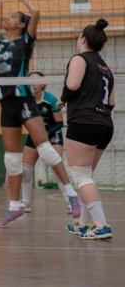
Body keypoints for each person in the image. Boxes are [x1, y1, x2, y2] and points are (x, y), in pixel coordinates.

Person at [0, 0, 80, 228]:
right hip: (6, 104)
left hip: (24, 102)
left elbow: (36, 14)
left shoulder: (26, 41)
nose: (6, 19)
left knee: (47, 150)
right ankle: (15, 206)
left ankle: (71, 194)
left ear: (20, 24)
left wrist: (26, 2)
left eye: (12, 16)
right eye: (7, 15)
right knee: (12, 159)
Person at [62, 19, 114, 240]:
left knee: (80, 175)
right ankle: (83, 224)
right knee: (86, 176)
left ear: (83, 39)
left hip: (84, 122)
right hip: (105, 125)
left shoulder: (80, 59)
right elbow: (111, 102)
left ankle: (101, 225)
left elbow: (72, 85)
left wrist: (63, 100)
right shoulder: (106, 68)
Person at [20, 72, 73, 214]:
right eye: (30, 80)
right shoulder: (25, 101)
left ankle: (70, 201)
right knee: (25, 170)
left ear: (43, 84)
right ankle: (24, 203)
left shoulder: (50, 99)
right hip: (34, 135)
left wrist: (44, 135)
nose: (32, 83)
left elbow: (59, 123)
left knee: (57, 167)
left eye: (36, 80)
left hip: (52, 134)